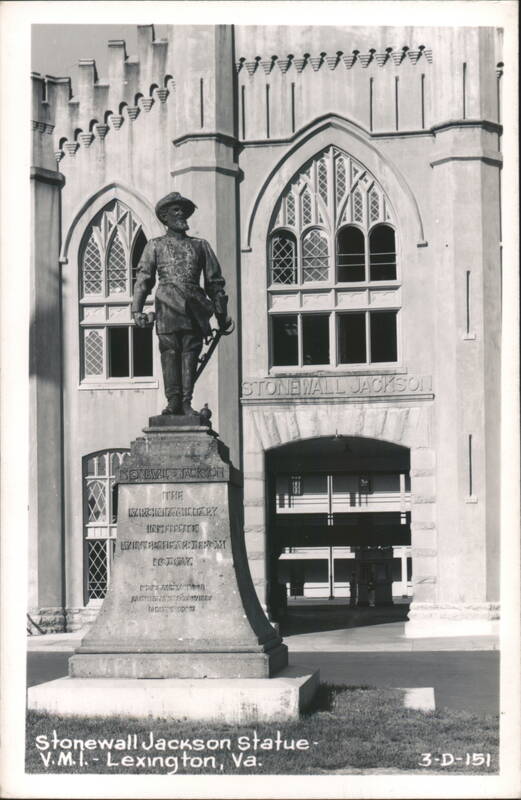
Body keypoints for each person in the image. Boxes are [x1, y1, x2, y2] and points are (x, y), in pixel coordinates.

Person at [132, 192, 231, 415]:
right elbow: (144, 278)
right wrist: (136, 309)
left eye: (183, 210)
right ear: (165, 217)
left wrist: (221, 315)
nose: (181, 214)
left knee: (190, 352)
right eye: (175, 210)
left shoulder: (200, 246)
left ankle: (186, 401)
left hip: (195, 307)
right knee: (169, 352)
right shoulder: (155, 246)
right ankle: (173, 401)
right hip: (167, 305)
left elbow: (215, 283)